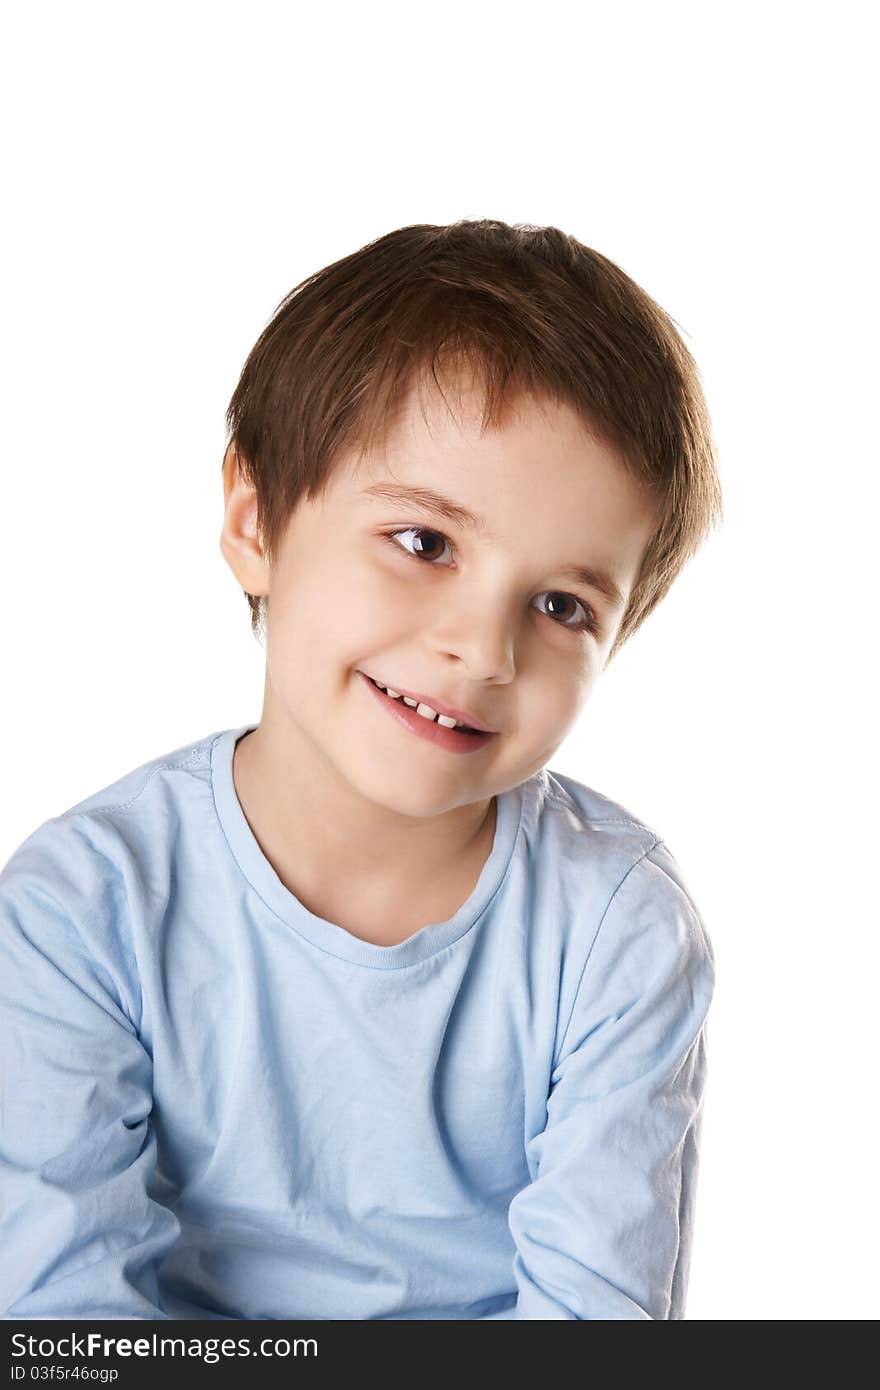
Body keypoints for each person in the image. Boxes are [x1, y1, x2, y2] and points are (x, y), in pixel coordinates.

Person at [0, 218, 722, 1321]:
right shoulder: (80, 907)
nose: (482, 651)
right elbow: (65, 1322)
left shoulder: (616, 927)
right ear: (255, 521)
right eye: (424, 542)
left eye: (562, 605)